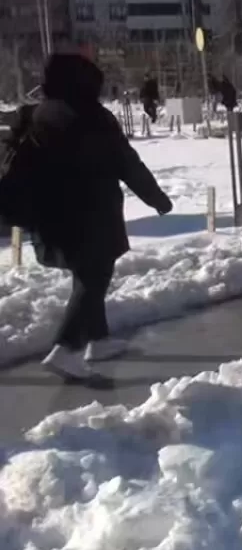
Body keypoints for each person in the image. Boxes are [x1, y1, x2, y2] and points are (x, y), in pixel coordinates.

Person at [27, 47, 172, 381]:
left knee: (87, 272)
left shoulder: (42, 113)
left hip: (50, 212)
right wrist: (157, 199)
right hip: (91, 211)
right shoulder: (91, 115)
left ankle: (99, 339)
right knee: (94, 276)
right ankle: (65, 347)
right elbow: (125, 162)